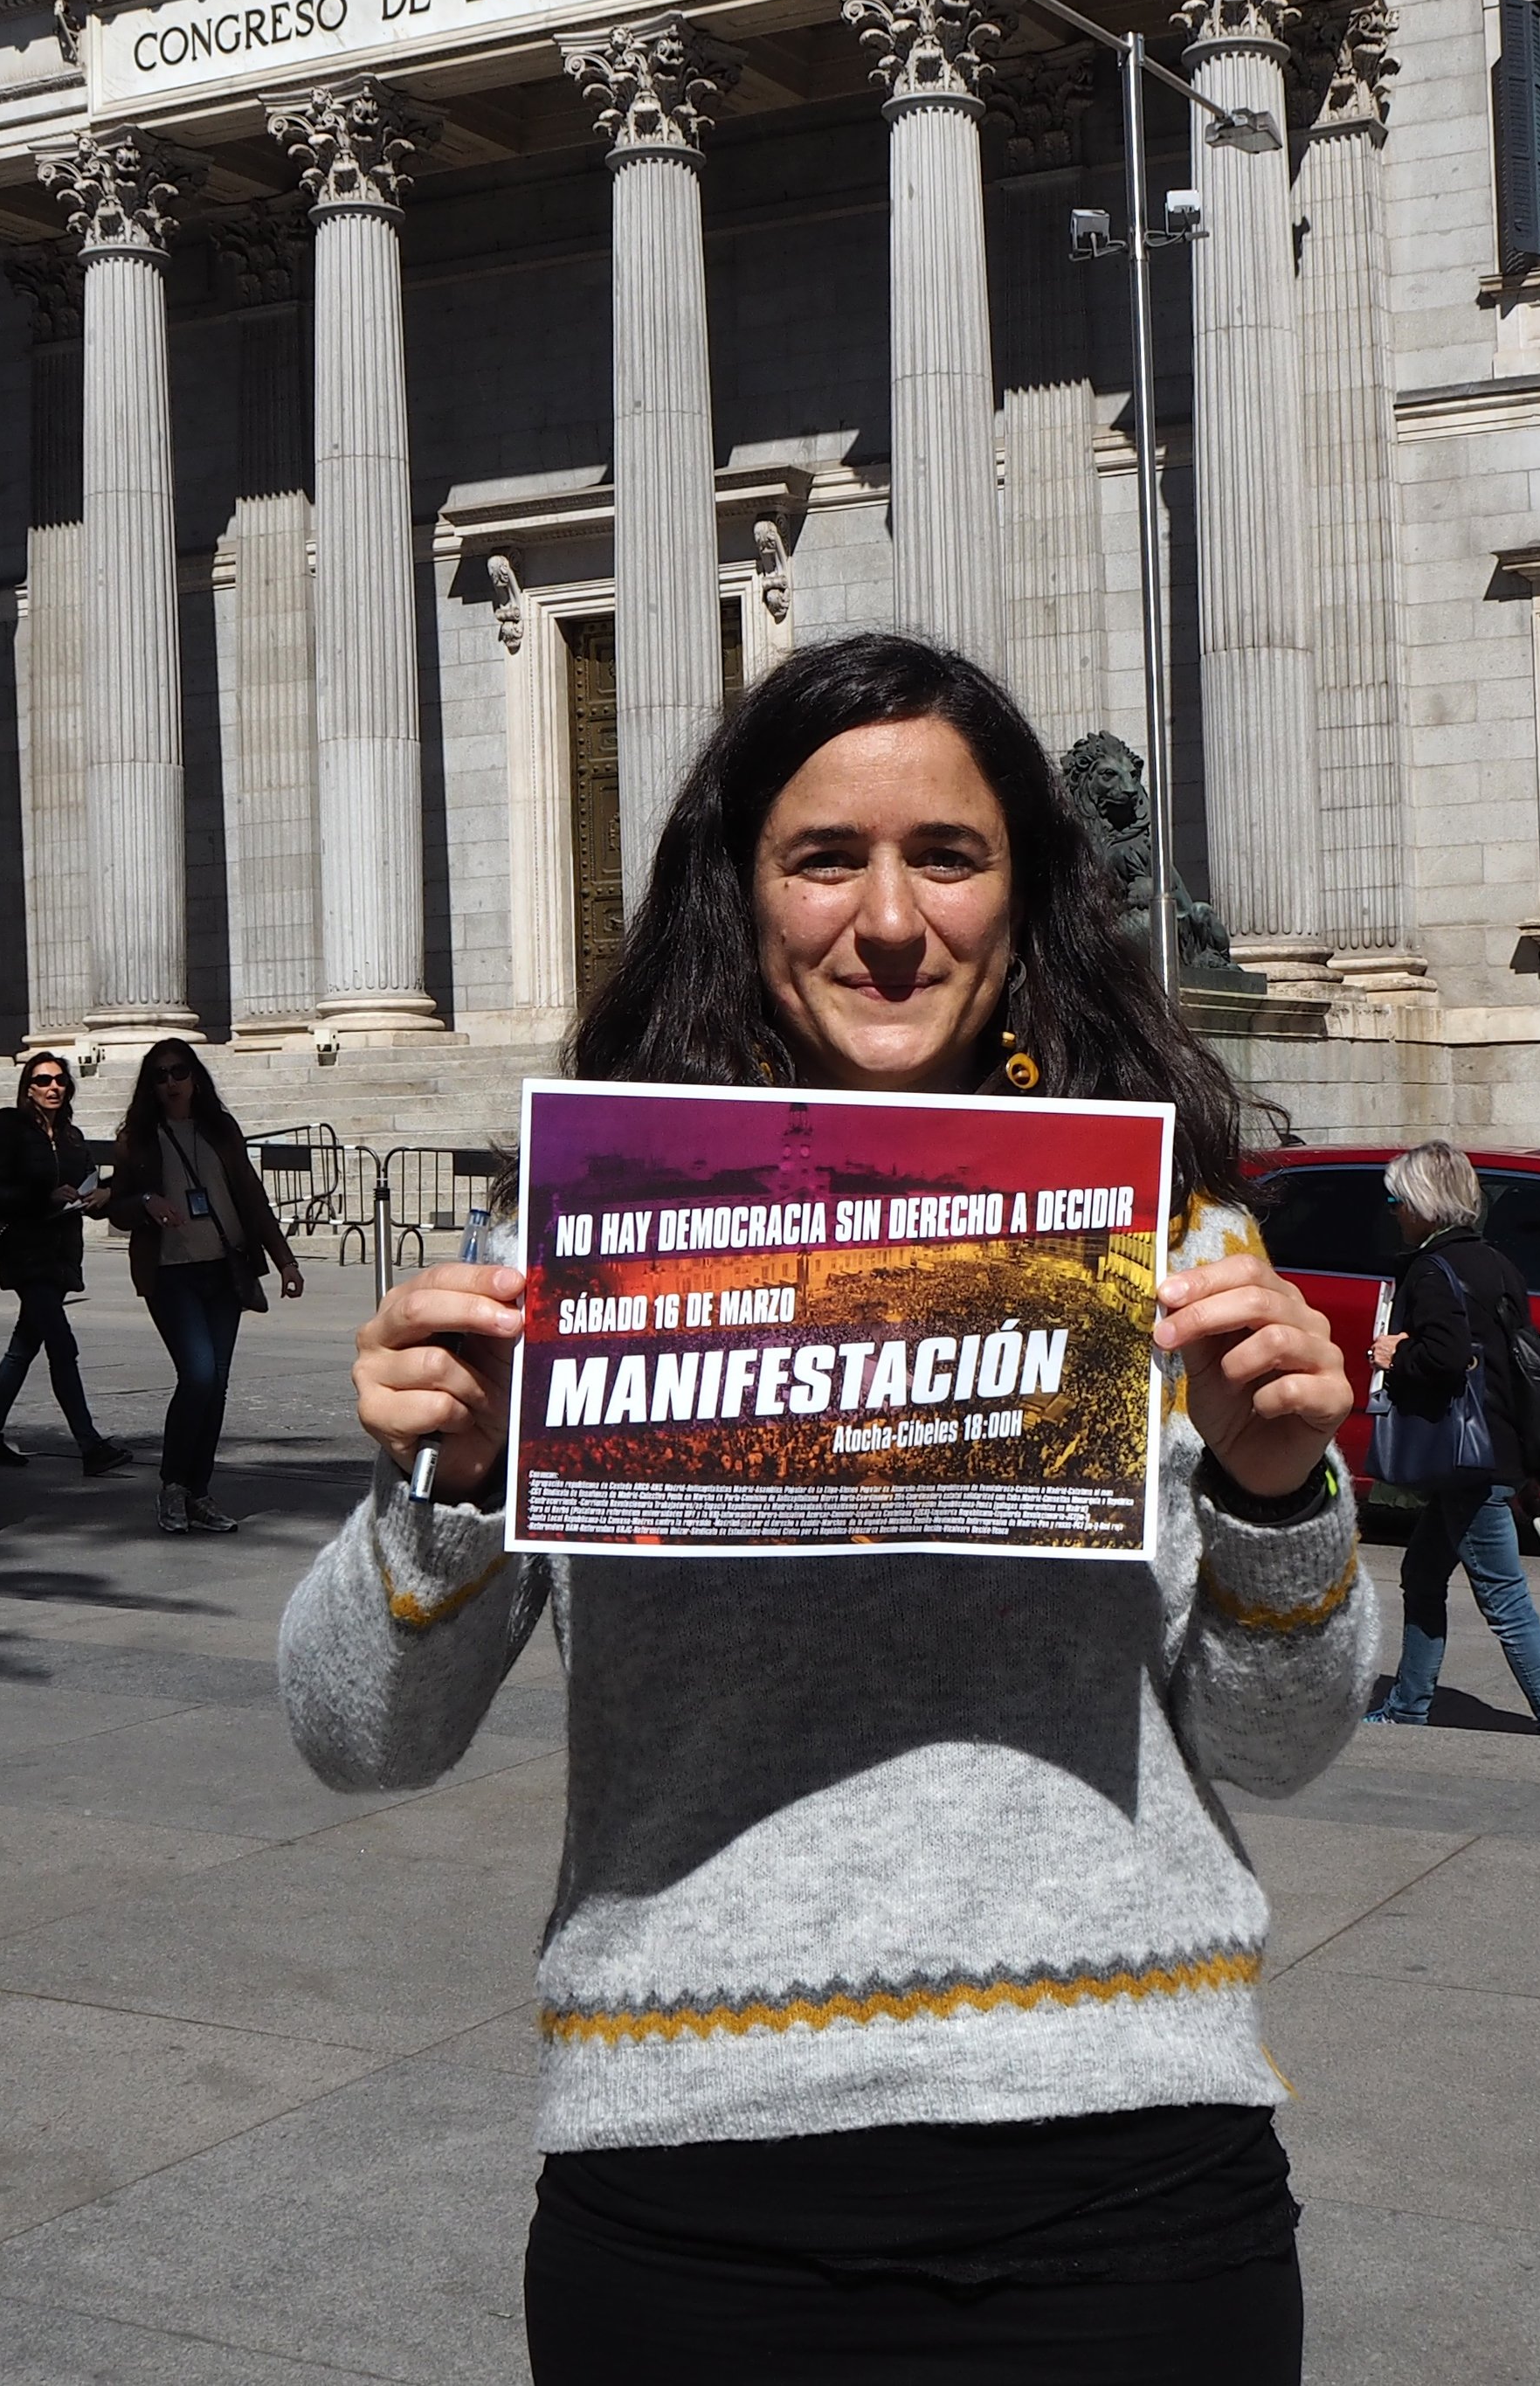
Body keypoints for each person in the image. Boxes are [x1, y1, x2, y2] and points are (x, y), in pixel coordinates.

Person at [293, 633, 1375, 2383]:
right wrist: (447, 1483)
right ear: (742, 893)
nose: (888, 919)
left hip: (1128, 2180)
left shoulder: (1170, 1252)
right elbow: (362, 1733)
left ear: (1023, 901)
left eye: (945, 855)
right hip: (694, 2187)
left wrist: (1275, 1494)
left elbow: (1283, 1743)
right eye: (825, 857)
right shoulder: (587, 1253)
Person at [1363, 1139, 1540, 1739]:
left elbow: (1447, 1355)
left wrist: (1394, 1352)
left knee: (1506, 1599)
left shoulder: (1435, 1270)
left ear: (1424, 1204)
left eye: (1397, 1198)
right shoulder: (1495, 1262)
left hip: (1469, 1459)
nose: (1393, 1209)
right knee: (1423, 1572)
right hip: (1499, 1446)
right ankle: (1409, 1706)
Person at [105, 1039, 300, 1534]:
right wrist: (146, 1199)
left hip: (223, 1268)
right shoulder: (138, 1139)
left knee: (216, 1386)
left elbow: (252, 1199)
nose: (171, 1083)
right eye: (161, 1076)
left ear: (196, 1078)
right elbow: (118, 1207)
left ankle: (199, 1492)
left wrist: (285, 1261)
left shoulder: (220, 1130)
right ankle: (173, 1485)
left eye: (179, 1072)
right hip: (171, 1274)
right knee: (197, 1377)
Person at [0, 1052, 130, 1475]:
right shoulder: (8, 1128)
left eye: (59, 1080)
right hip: (26, 1250)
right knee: (61, 1342)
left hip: (62, 1250)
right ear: (28, 1087)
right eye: (43, 1080)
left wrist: (98, 1197)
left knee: (24, 1345)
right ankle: (90, 1444)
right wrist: (44, 1196)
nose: (53, 1087)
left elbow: (83, 1185)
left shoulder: (72, 1137)